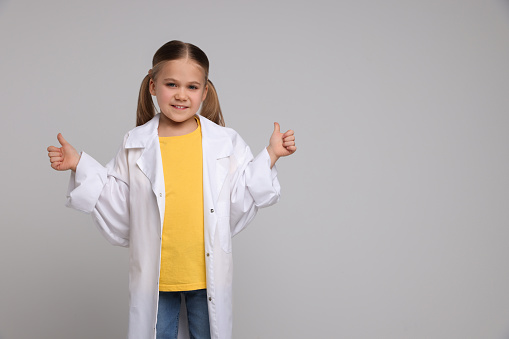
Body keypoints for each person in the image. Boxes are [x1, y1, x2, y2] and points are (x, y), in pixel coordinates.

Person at [47, 40, 296, 339]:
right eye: (171, 84)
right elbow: (120, 203)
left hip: (206, 276)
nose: (181, 95)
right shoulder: (135, 143)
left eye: (192, 87)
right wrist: (79, 164)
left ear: (204, 92)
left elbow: (239, 196)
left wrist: (271, 154)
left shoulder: (224, 142)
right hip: (157, 278)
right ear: (153, 86)